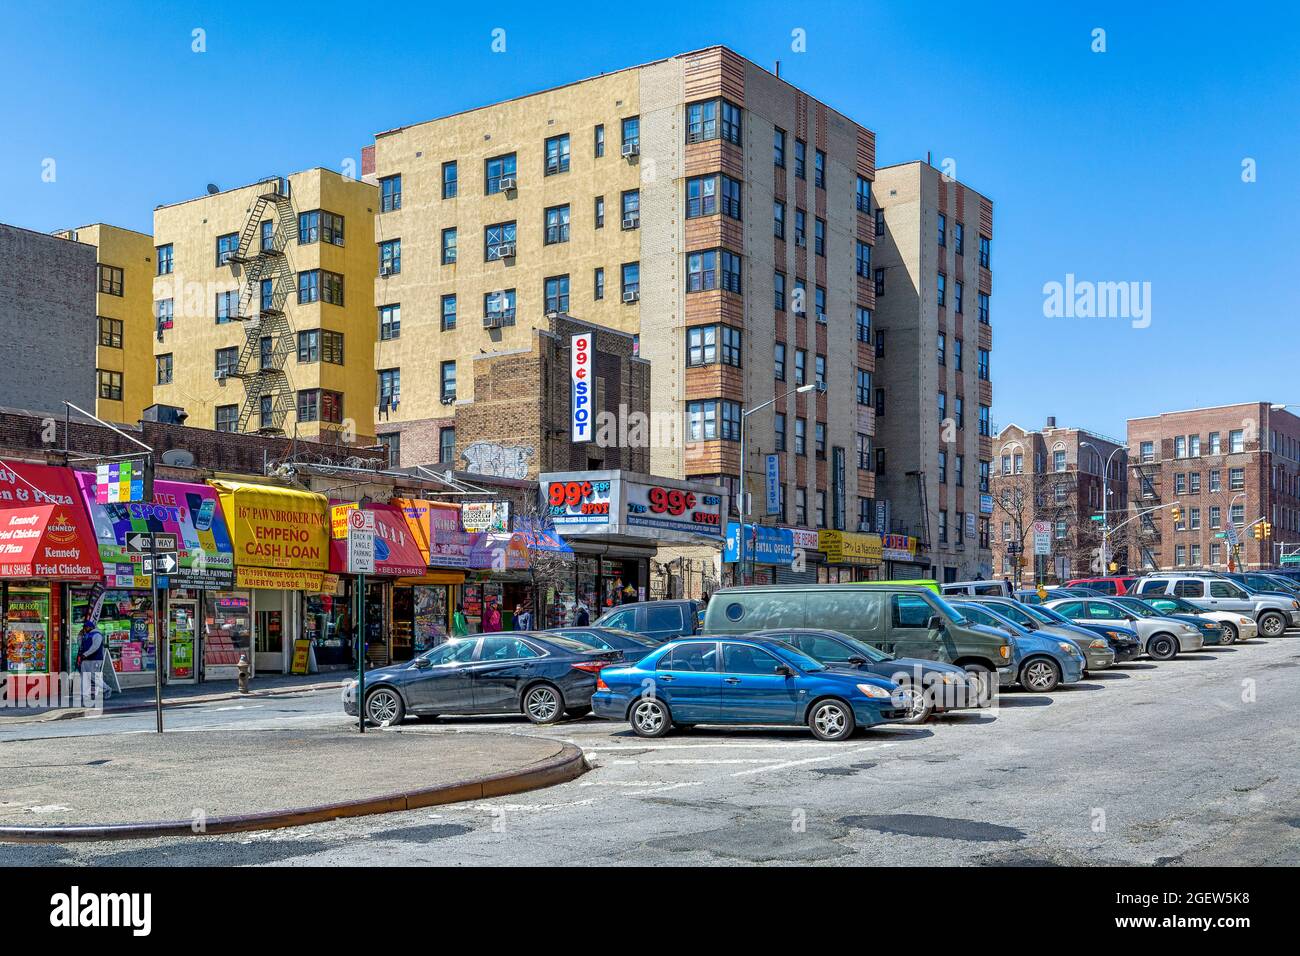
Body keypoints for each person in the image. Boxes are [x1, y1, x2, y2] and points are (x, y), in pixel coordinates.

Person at [76, 618, 106, 706]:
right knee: (84, 677)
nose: (84, 629)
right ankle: (85, 694)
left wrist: (86, 654)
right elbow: (80, 645)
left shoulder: (97, 635)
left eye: (85, 627)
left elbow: (95, 647)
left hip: (95, 659)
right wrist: (80, 636)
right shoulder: (87, 635)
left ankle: (106, 689)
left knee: (94, 677)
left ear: (89, 627)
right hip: (86, 659)